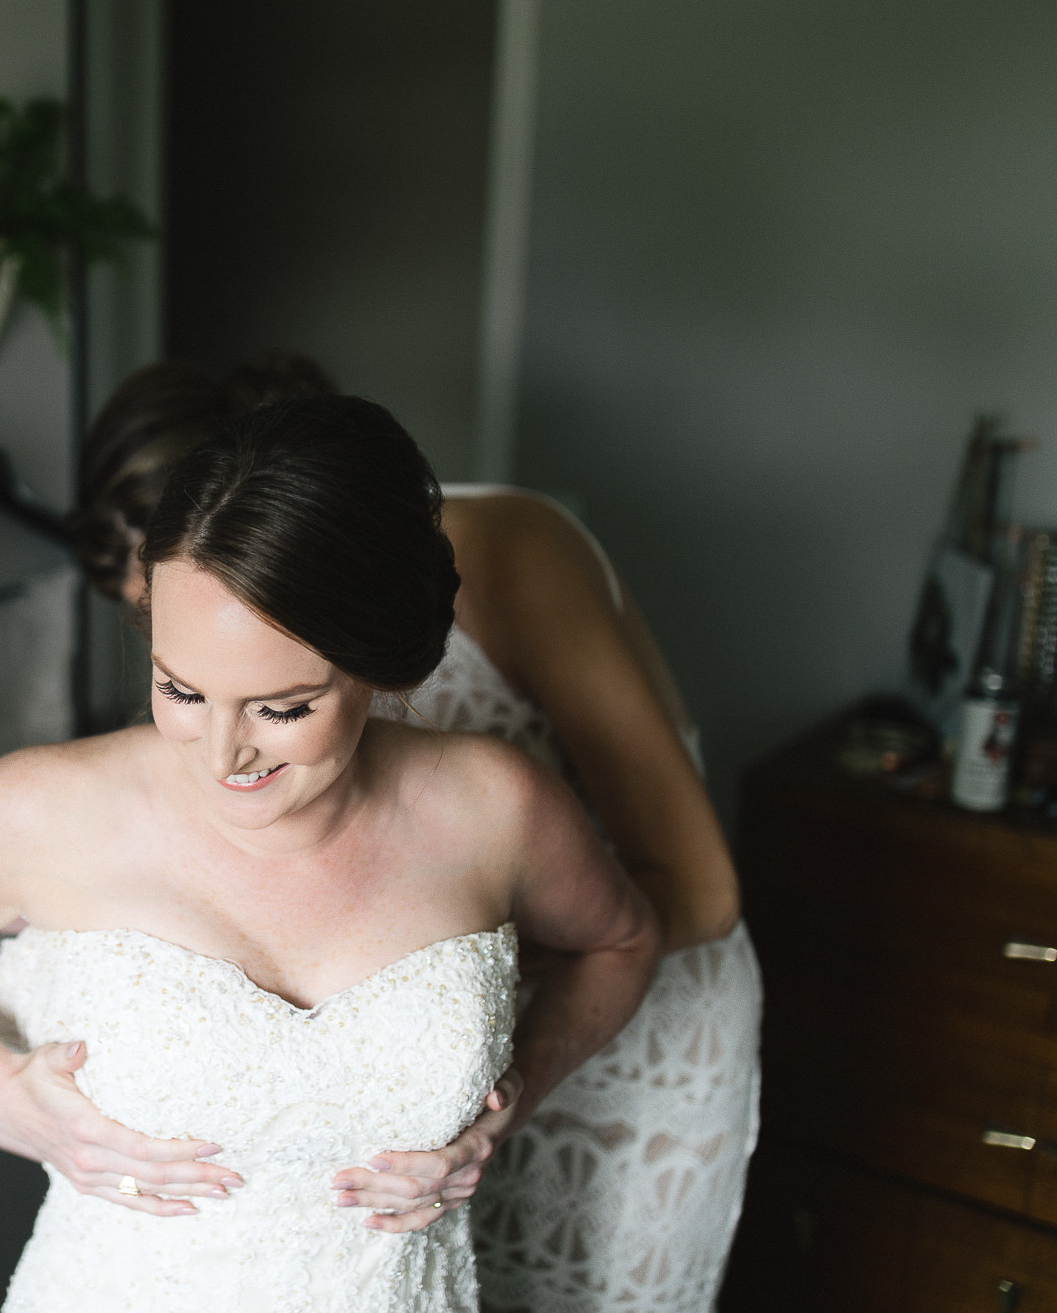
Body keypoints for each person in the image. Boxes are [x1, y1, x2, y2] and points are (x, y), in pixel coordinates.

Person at [0, 398, 661, 1312]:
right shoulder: (51, 808)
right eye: (181, 688)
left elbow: (623, 941)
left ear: (378, 663)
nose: (221, 754)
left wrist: (508, 1100)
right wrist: (8, 1094)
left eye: (281, 707)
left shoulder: (497, 807)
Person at [71, 354, 764, 1312]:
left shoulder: (511, 552)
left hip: (616, 1025)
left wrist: (433, 997)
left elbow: (696, 887)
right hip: (420, 1077)